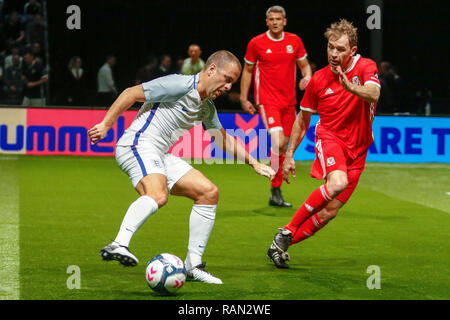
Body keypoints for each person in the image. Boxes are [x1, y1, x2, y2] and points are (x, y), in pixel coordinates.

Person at [88, 50, 275, 284]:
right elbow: (131, 94)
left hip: (160, 153)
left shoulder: (206, 107)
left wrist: (254, 163)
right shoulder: (179, 84)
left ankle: (192, 266)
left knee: (208, 193)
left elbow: (222, 138)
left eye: (232, 83)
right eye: (227, 79)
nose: (228, 87)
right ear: (212, 70)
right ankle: (119, 244)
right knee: (158, 194)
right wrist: (106, 124)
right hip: (137, 144)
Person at [266, 19, 381, 268]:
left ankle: (279, 244)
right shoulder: (319, 79)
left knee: (329, 212)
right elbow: (302, 119)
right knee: (337, 183)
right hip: (330, 138)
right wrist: (289, 156)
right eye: (331, 47)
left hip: (359, 149)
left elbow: (374, 93)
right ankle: (289, 228)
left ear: (352, 50)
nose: (334, 54)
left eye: (340, 49)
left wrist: (350, 87)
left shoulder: (365, 67)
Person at [240, 5, 313, 207]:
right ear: (267, 22)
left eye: (278, 19)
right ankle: (275, 185)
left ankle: (275, 190)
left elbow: (305, 65)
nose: (275, 22)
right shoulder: (257, 43)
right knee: (279, 142)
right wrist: (244, 98)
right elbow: (247, 71)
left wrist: (307, 77)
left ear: (284, 21)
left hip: (289, 102)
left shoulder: (294, 41)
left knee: (283, 145)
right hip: (267, 99)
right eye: (271, 19)